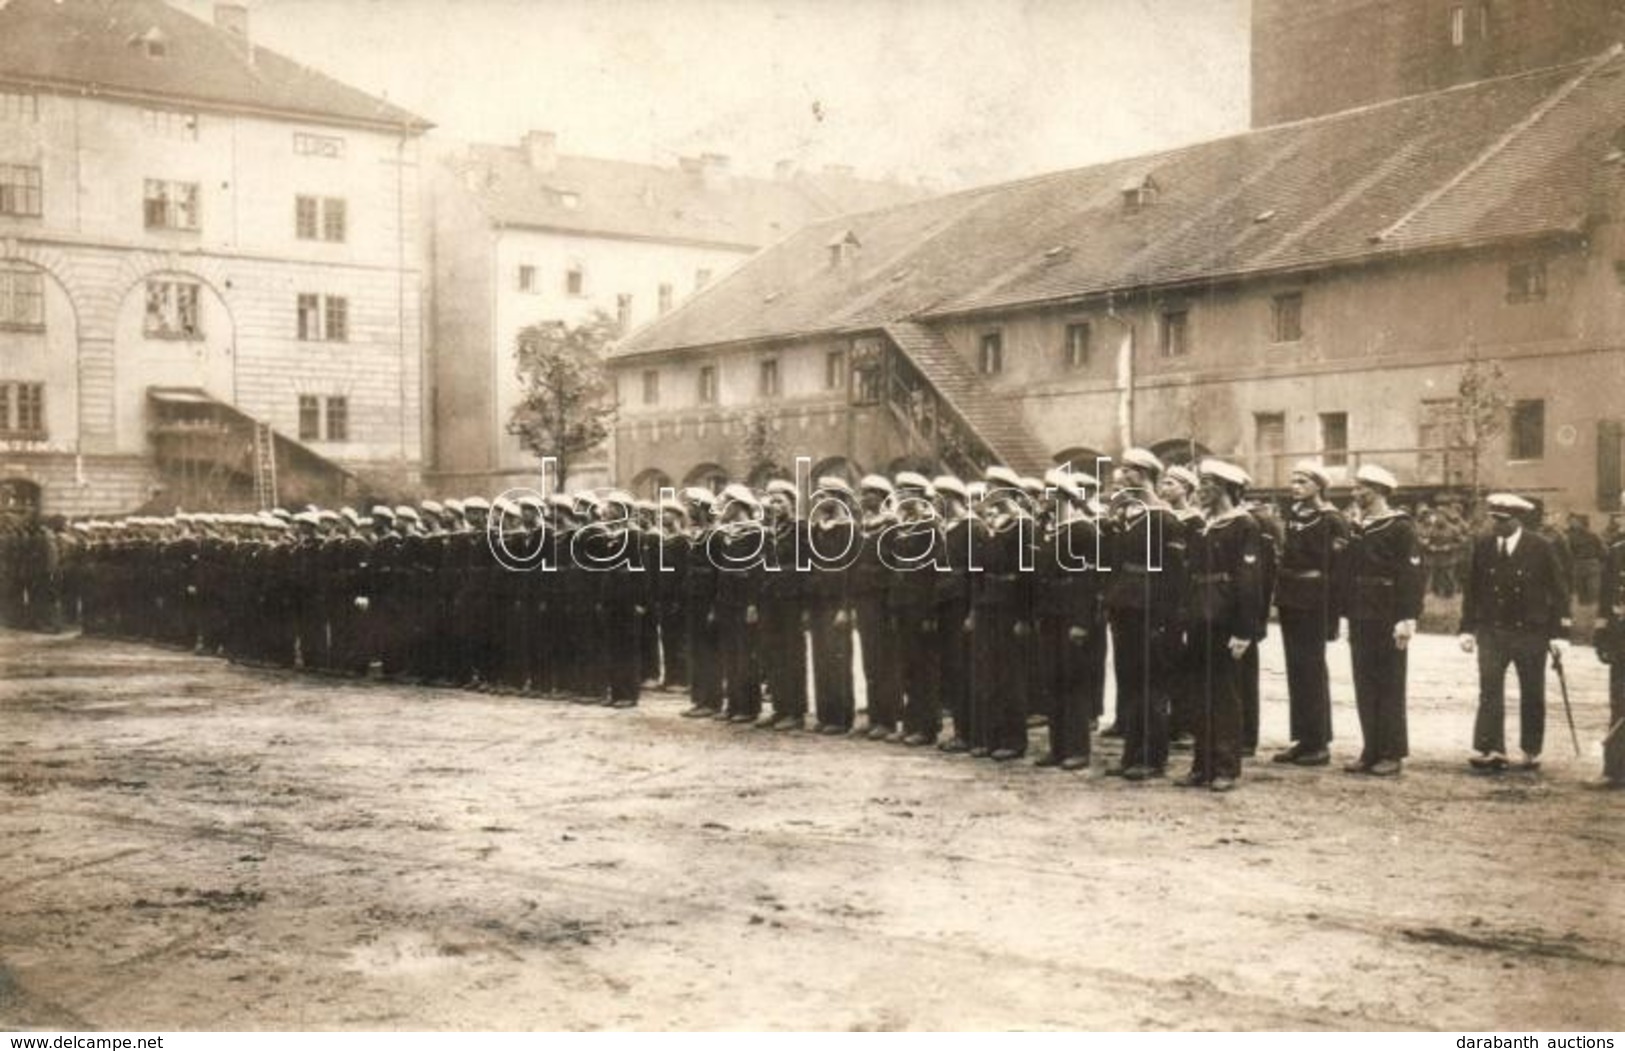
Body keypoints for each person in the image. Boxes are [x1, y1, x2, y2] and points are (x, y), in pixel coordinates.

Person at [1459, 493, 1572, 771]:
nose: (1496, 525)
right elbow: (1472, 589)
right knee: (1490, 689)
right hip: (1492, 630)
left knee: (1532, 690)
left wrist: (1561, 633)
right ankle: (1492, 748)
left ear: (1517, 519)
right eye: (1493, 519)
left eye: (1503, 520)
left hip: (1531, 632)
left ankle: (1531, 749)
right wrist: (1466, 628)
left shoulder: (1541, 546)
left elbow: (1559, 591)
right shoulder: (1483, 545)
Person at [1178, 459, 1264, 792]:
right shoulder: (1204, 525)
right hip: (1200, 616)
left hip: (1225, 620)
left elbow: (1249, 582)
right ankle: (1203, 764)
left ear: (1226, 488)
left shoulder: (1244, 526)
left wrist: (1245, 630)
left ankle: (1226, 766)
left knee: (1225, 694)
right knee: (1200, 692)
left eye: (1208, 484)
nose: (1201, 490)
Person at [1342, 464, 1424, 776]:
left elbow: (1412, 574)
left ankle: (1392, 752)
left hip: (1388, 614)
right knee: (1364, 683)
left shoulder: (1400, 526)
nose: (1355, 492)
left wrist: (1407, 617)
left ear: (1377, 490)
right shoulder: (1359, 526)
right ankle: (1371, 748)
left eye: (1361, 487)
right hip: (1361, 613)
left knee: (1389, 683)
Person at [1272, 462, 1347, 767]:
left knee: (1313, 671)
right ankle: (1302, 739)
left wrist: (1333, 617)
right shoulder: (1295, 516)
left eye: (1302, 481)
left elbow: (1338, 573)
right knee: (1296, 670)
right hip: (1292, 600)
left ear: (1319, 485)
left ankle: (1319, 743)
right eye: (1293, 480)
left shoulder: (1332, 520)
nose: (1295, 486)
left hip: (1315, 602)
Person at [1592, 530, 1625, 789]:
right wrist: (1601, 635)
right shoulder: (1616, 552)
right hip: (1621, 641)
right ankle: (1614, 770)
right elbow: (1605, 600)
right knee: (1619, 705)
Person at [1566, 513, 1605, 606]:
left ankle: (1588, 610)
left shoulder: (1593, 535)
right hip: (1586, 563)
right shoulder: (1574, 536)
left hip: (1587, 563)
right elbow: (1603, 550)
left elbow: (1602, 550)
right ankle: (1587, 611)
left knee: (1588, 590)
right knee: (1586, 590)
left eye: (1578, 523)